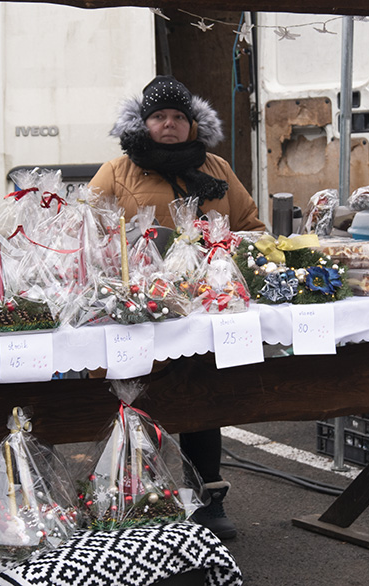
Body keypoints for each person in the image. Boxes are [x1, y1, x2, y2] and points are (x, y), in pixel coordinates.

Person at [89, 75, 266, 540]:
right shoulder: (117, 171)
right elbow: (86, 233)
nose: (169, 125)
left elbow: (251, 224)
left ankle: (210, 497)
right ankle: (139, 496)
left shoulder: (218, 169)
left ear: (192, 124)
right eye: (159, 117)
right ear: (144, 122)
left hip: (207, 308)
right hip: (142, 310)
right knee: (140, 397)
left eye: (178, 117)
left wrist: (233, 254)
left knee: (203, 395)